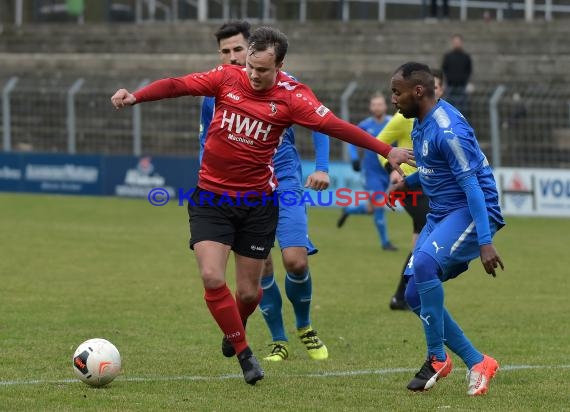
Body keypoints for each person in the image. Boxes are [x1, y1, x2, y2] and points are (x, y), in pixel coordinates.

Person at [111, 26, 414, 385]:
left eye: (262, 69)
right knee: (211, 276)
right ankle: (245, 353)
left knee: (249, 292)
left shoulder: (293, 97)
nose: (253, 74)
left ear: (280, 66)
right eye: (250, 66)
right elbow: (178, 85)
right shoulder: (227, 78)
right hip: (212, 197)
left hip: (258, 202)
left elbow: (335, 127)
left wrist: (386, 150)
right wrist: (136, 97)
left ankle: (243, 329)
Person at [200, 21, 331, 363]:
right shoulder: (217, 90)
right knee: (263, 269)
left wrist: (322, 167)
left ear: (255, 50)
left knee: (295, 260)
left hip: (283, 181)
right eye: (225, 52)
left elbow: (323, 123)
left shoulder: (287, 89)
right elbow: (206, 144)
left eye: (238, 50)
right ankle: (278, 339)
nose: (232, 57)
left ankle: (305, 326)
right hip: (240, 190)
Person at [388, 62, 504, 395]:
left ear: (418, 91)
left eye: (397, 92)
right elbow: (432, 169)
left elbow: (472, 187)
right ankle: (478, 361)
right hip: (442, 213)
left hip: (471, 210)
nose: (393, 99)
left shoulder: (447, 129)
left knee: (423, 265)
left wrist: (485, 241)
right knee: (412, 295)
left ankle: (437, 357)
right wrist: (405, 184)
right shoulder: (420, 123)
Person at [377, 69, 445, 310]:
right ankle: (410, 293)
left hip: (431, 186)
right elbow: (379, 143)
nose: (433, 90)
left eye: (437, 87)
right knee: (429, 232)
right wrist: (391, 169)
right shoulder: (404, 116)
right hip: (409, 186)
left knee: (421, 244)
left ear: (441, 90)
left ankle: (403, 296)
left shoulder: (442, 119)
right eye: (431, 85)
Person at [337, 93, 397, 252]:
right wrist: (355, 158)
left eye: (380, 104)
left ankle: (348, 210)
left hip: (388, 172)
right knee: (378, 205)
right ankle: (385, 243)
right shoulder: (365, 125)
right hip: (371, 173)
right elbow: (351, 141)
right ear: (371, 107)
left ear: (385, 106)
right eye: (374, 104)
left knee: (371, 208)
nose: (377, 107)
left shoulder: (393, 122)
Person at [441, 34, 472, 116]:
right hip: (450, 86)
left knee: (462, 110)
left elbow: (469, 70)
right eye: (455, 42)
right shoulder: (448, 56)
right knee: (449, 110)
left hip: (462, 86)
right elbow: (444, 69)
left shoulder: (466, 57)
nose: (456, 44)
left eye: (458, 42)